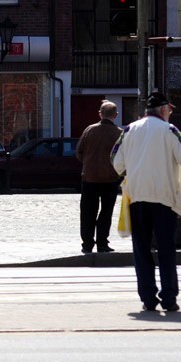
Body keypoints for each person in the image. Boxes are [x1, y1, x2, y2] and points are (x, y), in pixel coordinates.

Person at [111, 92, 181, 312]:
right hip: (164, 199)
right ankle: (169, 298)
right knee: (166, 250)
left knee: (141, 250)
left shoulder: (129, 130)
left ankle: (148, 298)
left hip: (137, 197)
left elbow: (116, 161)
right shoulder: (170, 130)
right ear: (163, 110)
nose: (170, 113)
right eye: (169, 109)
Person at [76, 100, 123, 253]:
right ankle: (102, 243)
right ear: (115, 115)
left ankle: (87, 244)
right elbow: (123, 157)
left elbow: (79, 152)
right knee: (106, 212)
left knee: (88, 212)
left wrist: (88, 164)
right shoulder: (119, 133)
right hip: (110, 179)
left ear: (100, 114)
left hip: (89, 178)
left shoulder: (89, 130)